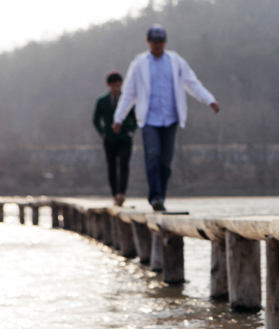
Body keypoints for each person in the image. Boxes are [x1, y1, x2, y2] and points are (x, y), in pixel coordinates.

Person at [112, 25, 220, 211]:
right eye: (154, 42)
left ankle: (161, 195)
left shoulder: (176, 62)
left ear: (165, 42)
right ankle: (155, 197)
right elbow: (129, 93)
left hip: (170, 118)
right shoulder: (139, 64)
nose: (158, 45)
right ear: (148, 42)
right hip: (149, 119)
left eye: (161, 42)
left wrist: (209, 100)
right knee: (152, 155)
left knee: (165, 161)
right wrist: (118, 117)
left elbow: (192, 83)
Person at [93, 71, 137, 206]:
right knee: (112, 166)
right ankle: (114, 194)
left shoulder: (128, 100)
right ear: (108, 85)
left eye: (118, 85)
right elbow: (95, 119)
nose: (116, 88)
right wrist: (102, 132)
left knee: (124, 165)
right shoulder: (102, 101)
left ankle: (121, 193)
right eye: (113, 86)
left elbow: (134, 118)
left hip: (124, 138)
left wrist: (130, 131)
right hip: (109, 139)